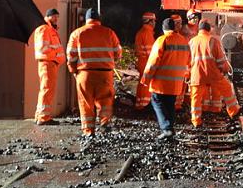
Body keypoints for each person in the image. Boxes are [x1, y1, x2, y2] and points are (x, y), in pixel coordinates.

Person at [66, 8, 122, 148]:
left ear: (86, 19)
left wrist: (73, 70)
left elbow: (71, 55)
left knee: (86, 103)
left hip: (84, 74)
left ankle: (88, 131)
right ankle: (104, 124)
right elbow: (118, 53)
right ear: (99, 19)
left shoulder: (77, 33)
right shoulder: (109, 32)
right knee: (105, 100)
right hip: (105, 73)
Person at [141, 18, 190, 139]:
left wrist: (145, 79)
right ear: (174, 28)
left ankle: (166, 128)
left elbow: (153, 62)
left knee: (157, 102)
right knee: (170, 104)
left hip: (161, 82)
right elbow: (189, 61)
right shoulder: (183, 41)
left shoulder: (162, 40)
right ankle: (170, 128)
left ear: (164, 29)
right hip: (176, 82)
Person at [188, 20, 241, 128]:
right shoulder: (213, 41)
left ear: (199, 30)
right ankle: (234, 111)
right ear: (208, 29)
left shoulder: (191, 41)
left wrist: (188, 73)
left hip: (196, 75)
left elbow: (187, 59)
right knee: (226, 89)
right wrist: (226, 69)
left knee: (195, 98)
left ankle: (196, 121)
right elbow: (221, 60)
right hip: (212, 74)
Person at [33, 8, 65, 125]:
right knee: (47, 90)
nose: (56, 19)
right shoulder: (44, 29)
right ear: (48, 16)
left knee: (46, 89)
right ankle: (43, 117)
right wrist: (56, 57)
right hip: (48, 63)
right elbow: (43, 48)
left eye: (57, 17)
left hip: (50, 63)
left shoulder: (49, 29)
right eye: (54, 16)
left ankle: (40, 116)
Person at [133, 12, 156, 110]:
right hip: (146, 62)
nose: (155, 23)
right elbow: (152, 53)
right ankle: (144, 105)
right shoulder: (147, 32)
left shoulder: (141, 32)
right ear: (150, 21)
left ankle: (139, 104)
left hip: (142, 61)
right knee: (146, 84)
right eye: (154, 21)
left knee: (142, 83)